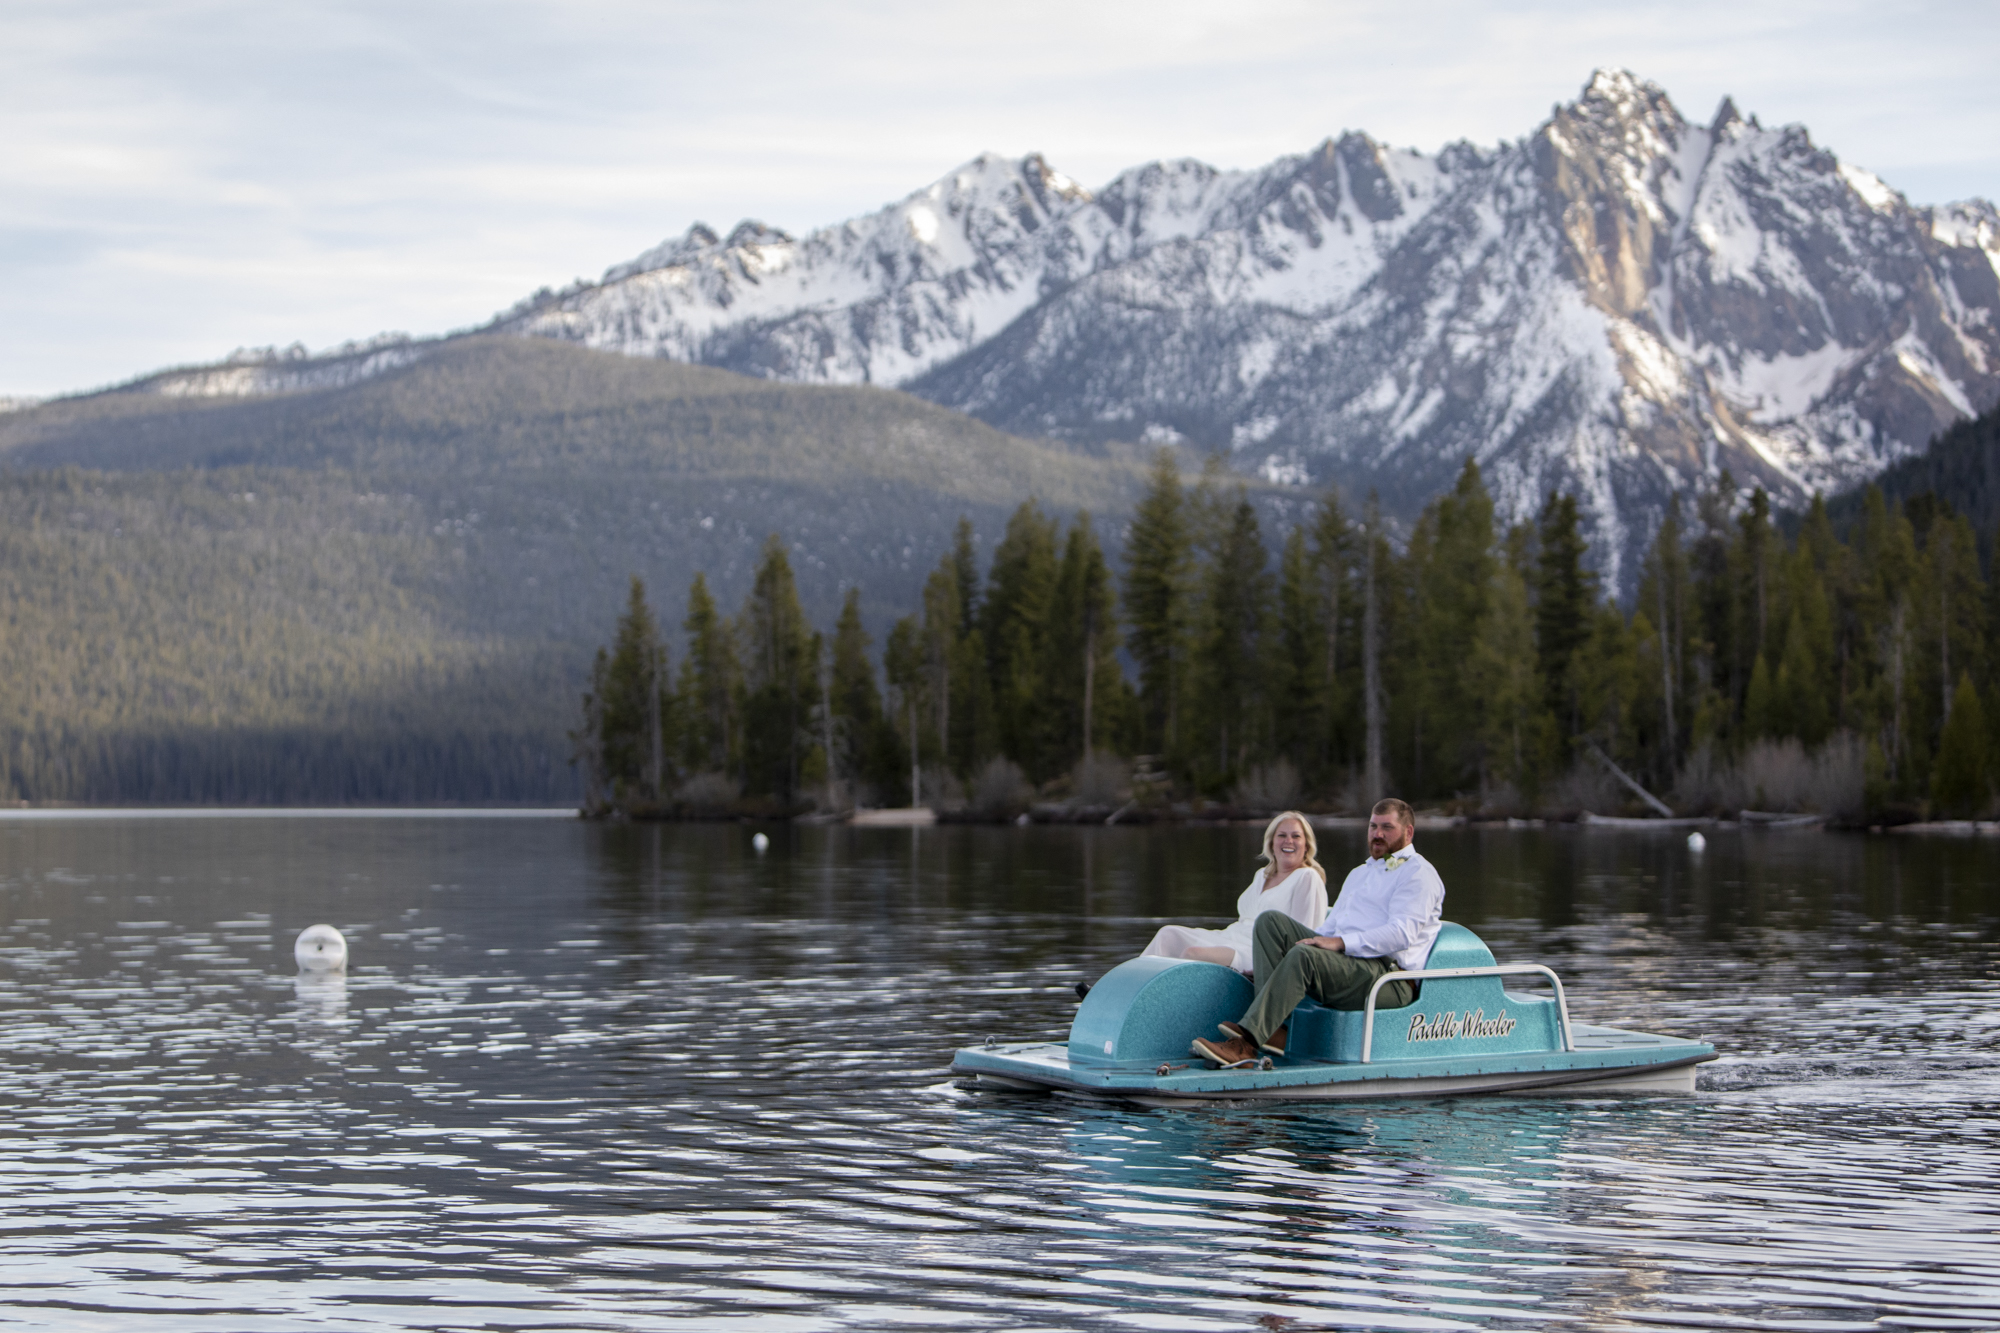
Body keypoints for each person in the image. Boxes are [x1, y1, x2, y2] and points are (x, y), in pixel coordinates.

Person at [1190, 798, 1443, 1066]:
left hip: (1388, 979)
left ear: (1408, 832)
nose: (1377, 834)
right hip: (1349, 966)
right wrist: (1292, 952)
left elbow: (1401, 934)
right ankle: (1274, 1030)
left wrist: (1341, 943)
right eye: (1373, 826)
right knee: (1270, 923)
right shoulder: (1360, 873)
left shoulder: (1418, 874)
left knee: (1303, 957)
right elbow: (1330, 928)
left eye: (1387, 828)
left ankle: (1247, 1045)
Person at [1138, 811, 1328, 973]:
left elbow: (1303, 936)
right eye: (1282, 835)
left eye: (1296, 836)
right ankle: (1131, 993)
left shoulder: (1307, 877)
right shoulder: (1262, 875)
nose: (1288, 841)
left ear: (1307, 845)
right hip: (1230, 936)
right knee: (1167, 934)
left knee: (1192, 954)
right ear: (1271, 842)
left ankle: (1169, 1007)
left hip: (1260, 951)